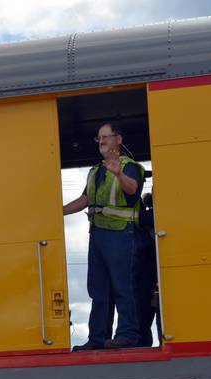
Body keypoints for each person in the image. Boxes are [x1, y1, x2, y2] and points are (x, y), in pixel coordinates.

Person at [63, 122, 145, 350]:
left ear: (118, 139)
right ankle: (97, 339)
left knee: (123, 286)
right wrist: (58, 211)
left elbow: (132, 189)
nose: (101, 141)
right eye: (98, 138)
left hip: (121, 234)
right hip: (98, 235)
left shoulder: (129, 166)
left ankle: (127, 334)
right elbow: (84, 200)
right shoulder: (95, 170)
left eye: (105, 137)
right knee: (98, 290)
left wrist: (118, 173)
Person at [137, 192, 161, 346]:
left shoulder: (147, 217)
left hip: (147, 275)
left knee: (144, 317)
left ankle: (143, 344)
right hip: (150, 274)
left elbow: (144, 217)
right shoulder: (150, 217)